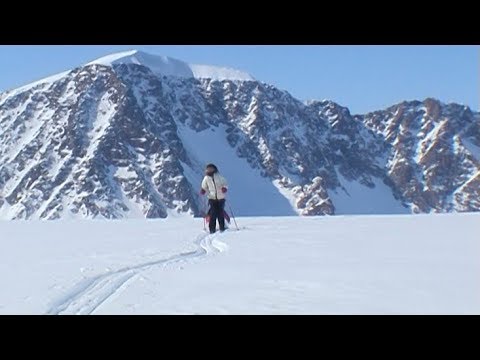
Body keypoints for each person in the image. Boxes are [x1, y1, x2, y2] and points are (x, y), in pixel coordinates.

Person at [200, 164, 228, 234]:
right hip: (211, 198)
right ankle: (212, 229)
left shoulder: (219, 176)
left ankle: (222, 227)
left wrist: (224, 188)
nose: (209, 170)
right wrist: (203, 190)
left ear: (214, 169)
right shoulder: (206, 178)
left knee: (220, 213)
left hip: (221, 198)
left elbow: (225, 183)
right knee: (213, 213)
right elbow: (204, 186)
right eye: (208, 169)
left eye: (210, 169)